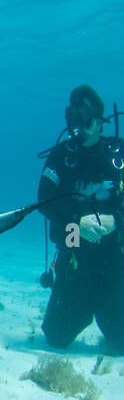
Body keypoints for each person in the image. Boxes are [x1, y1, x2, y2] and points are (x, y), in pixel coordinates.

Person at [37, 85, 124, 352]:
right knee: (55, 336)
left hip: (114, 256)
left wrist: (117, 220)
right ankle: (80, 307)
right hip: (74, 251)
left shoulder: (118, 155)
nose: (80, 127)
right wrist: (76, 220)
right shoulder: (62, 157)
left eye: (86, 119)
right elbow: (43, 200)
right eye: (74, 118)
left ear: (100, 120)